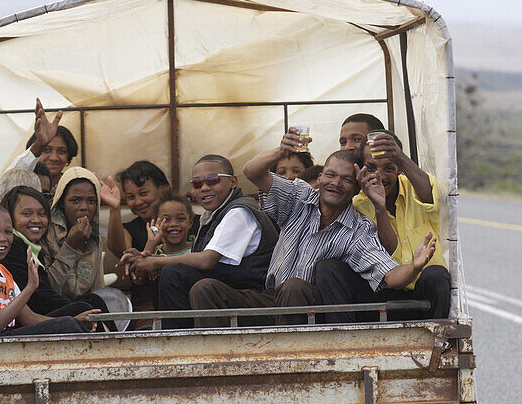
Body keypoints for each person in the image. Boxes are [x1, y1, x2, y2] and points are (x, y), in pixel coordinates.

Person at [185, 129, 436, 322]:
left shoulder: (358, 229)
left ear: (357, 187)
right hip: (270, 298)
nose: (336, 183)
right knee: (204, 289)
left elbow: (391, 277)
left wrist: (414, 267)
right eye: (330, 175)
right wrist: (280, 151)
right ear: (320, 177)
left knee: (294, 287)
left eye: (346, 179)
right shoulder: (298, 196)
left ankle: (291, 368)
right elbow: (252, 172)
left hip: (308, 308)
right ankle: (223, 367)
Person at [121, 155, 279, 323]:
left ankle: (179, 338)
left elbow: (207, 260)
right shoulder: (212, 214)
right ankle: (175, 333)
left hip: (254, 295)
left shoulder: (239, 212)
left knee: (175, 272)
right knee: (171, 272)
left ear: (233, 182)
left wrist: (156, 261)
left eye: (212, 180)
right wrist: (148, 256)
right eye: (197, 183)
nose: (204, 187)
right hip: (231, 289)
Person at [344, 130, 450, 318]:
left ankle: (440, 342)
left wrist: (400, 157)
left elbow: (428, 193)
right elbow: (389, 257)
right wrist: (379, 208)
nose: (379, 176)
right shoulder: (359, 203)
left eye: (389, 168)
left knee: (436, 275)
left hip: (423, 292)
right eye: (371, 167)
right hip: (386, 294)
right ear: (360, 169)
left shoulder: (414, 185)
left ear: (400, 169)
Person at [0, 204, 95, 337]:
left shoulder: (2, 272)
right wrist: (30, 287)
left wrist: (76, 321)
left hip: (3, 335)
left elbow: (29, 318)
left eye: (8, 232)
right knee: (68, 325)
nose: (2, 239)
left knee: (79, 312)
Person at [0, 186, 109, 317]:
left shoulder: (33, 248)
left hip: (43, 310)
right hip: (26, 319)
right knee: (84, 308)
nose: (36, 220)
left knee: (93, 301)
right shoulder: (13, 245)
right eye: (27, 214)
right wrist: (71, 248)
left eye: (42, 214)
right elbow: (40, 299)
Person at [45, 167, 112, 300]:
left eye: (91, 201)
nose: (84, 207)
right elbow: (48, 290)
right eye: (75, 200)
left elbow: (97, 290)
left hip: (86, 311)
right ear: (62, 203)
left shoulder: (94, 239)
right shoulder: (47, 234)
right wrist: (70, 247)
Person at [10, 99, 79, 191]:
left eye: (61, 151)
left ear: (68, 156)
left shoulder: (73, 188)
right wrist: (39, 144)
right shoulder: (22, 185)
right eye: (46, 150)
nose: (54, 158)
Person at [143, 190, 195, 258]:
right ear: (157, 224)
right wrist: (151, 244)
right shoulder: (154, 252)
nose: (173, 224)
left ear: (190, 223)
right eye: (166, 219)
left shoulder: (197, 249)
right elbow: (142, 265)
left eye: (181, 219)